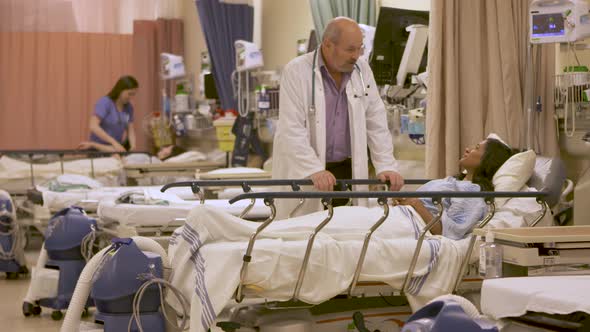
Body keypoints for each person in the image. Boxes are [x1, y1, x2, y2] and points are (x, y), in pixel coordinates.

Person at [272, 17, 403, 218]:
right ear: (327, 44)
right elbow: (291, 129)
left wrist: (386, 165)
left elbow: (376, 122)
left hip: (346, 170)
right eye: (350, 49)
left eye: (360, 49)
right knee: (307, 237)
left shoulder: (362, 70)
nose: (356, 56)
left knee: (346, 237)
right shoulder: (297, 71)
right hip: (308, 171)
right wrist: (313, 169)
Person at [393, 138, 517, 240]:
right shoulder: (453, 182)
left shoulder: (473, 194)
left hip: (412, 226)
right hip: (402, 218)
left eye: (476, 148)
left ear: (488, 160)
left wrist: (415, 203)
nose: (468, 149)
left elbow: (448, 232)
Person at [79, 76, 139, 152]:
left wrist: (133, 145)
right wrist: (113, 142)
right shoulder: (105, 102)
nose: (131, 97)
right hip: (98, 148)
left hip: (113, 149)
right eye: (129, 94)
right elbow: (93, 126)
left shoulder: (129, 107)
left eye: (134, 94)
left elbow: (130, 130)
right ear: (120, 90)